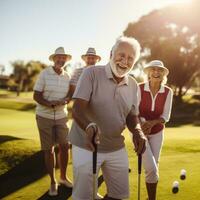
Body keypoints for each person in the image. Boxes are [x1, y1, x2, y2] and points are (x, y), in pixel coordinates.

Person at [69, 36, 146, 200]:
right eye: (121, 55)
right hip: (86, 146)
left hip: (116, 147)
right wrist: (89, 126)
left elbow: (132, 116)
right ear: (111, 53)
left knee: (120, 196)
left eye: (130, 58)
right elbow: (77, 108)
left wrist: (138, 131)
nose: (125, 61)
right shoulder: (91, 73)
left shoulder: (133, 85)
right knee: (84, 197)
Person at [33, 47, 73, 196]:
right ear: (54, 59)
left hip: (62, 116)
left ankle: (63, 177)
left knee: (65, 145)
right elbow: (36, 95)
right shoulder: (44, 74)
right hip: (44, 116)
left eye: (63, 58)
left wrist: (67, 99)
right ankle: (52, 181)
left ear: (66, 60)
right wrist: (48, 103)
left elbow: (70, 93)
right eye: (58, 58)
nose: (61, 60)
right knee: (48, 149)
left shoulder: (67, 76)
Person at [138, 60, 173, 200]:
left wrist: (152, 123)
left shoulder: (168, 91)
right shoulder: (139, 88)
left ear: (163, 74)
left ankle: (151, 197)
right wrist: (143, 124)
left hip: (158, 132)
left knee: (154, 167)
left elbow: (166, 116)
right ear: (148, 72)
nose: (156, 72)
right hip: (140, 132)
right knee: (151, 168)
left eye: (159, 70)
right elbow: (134, 111)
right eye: (153, 69)